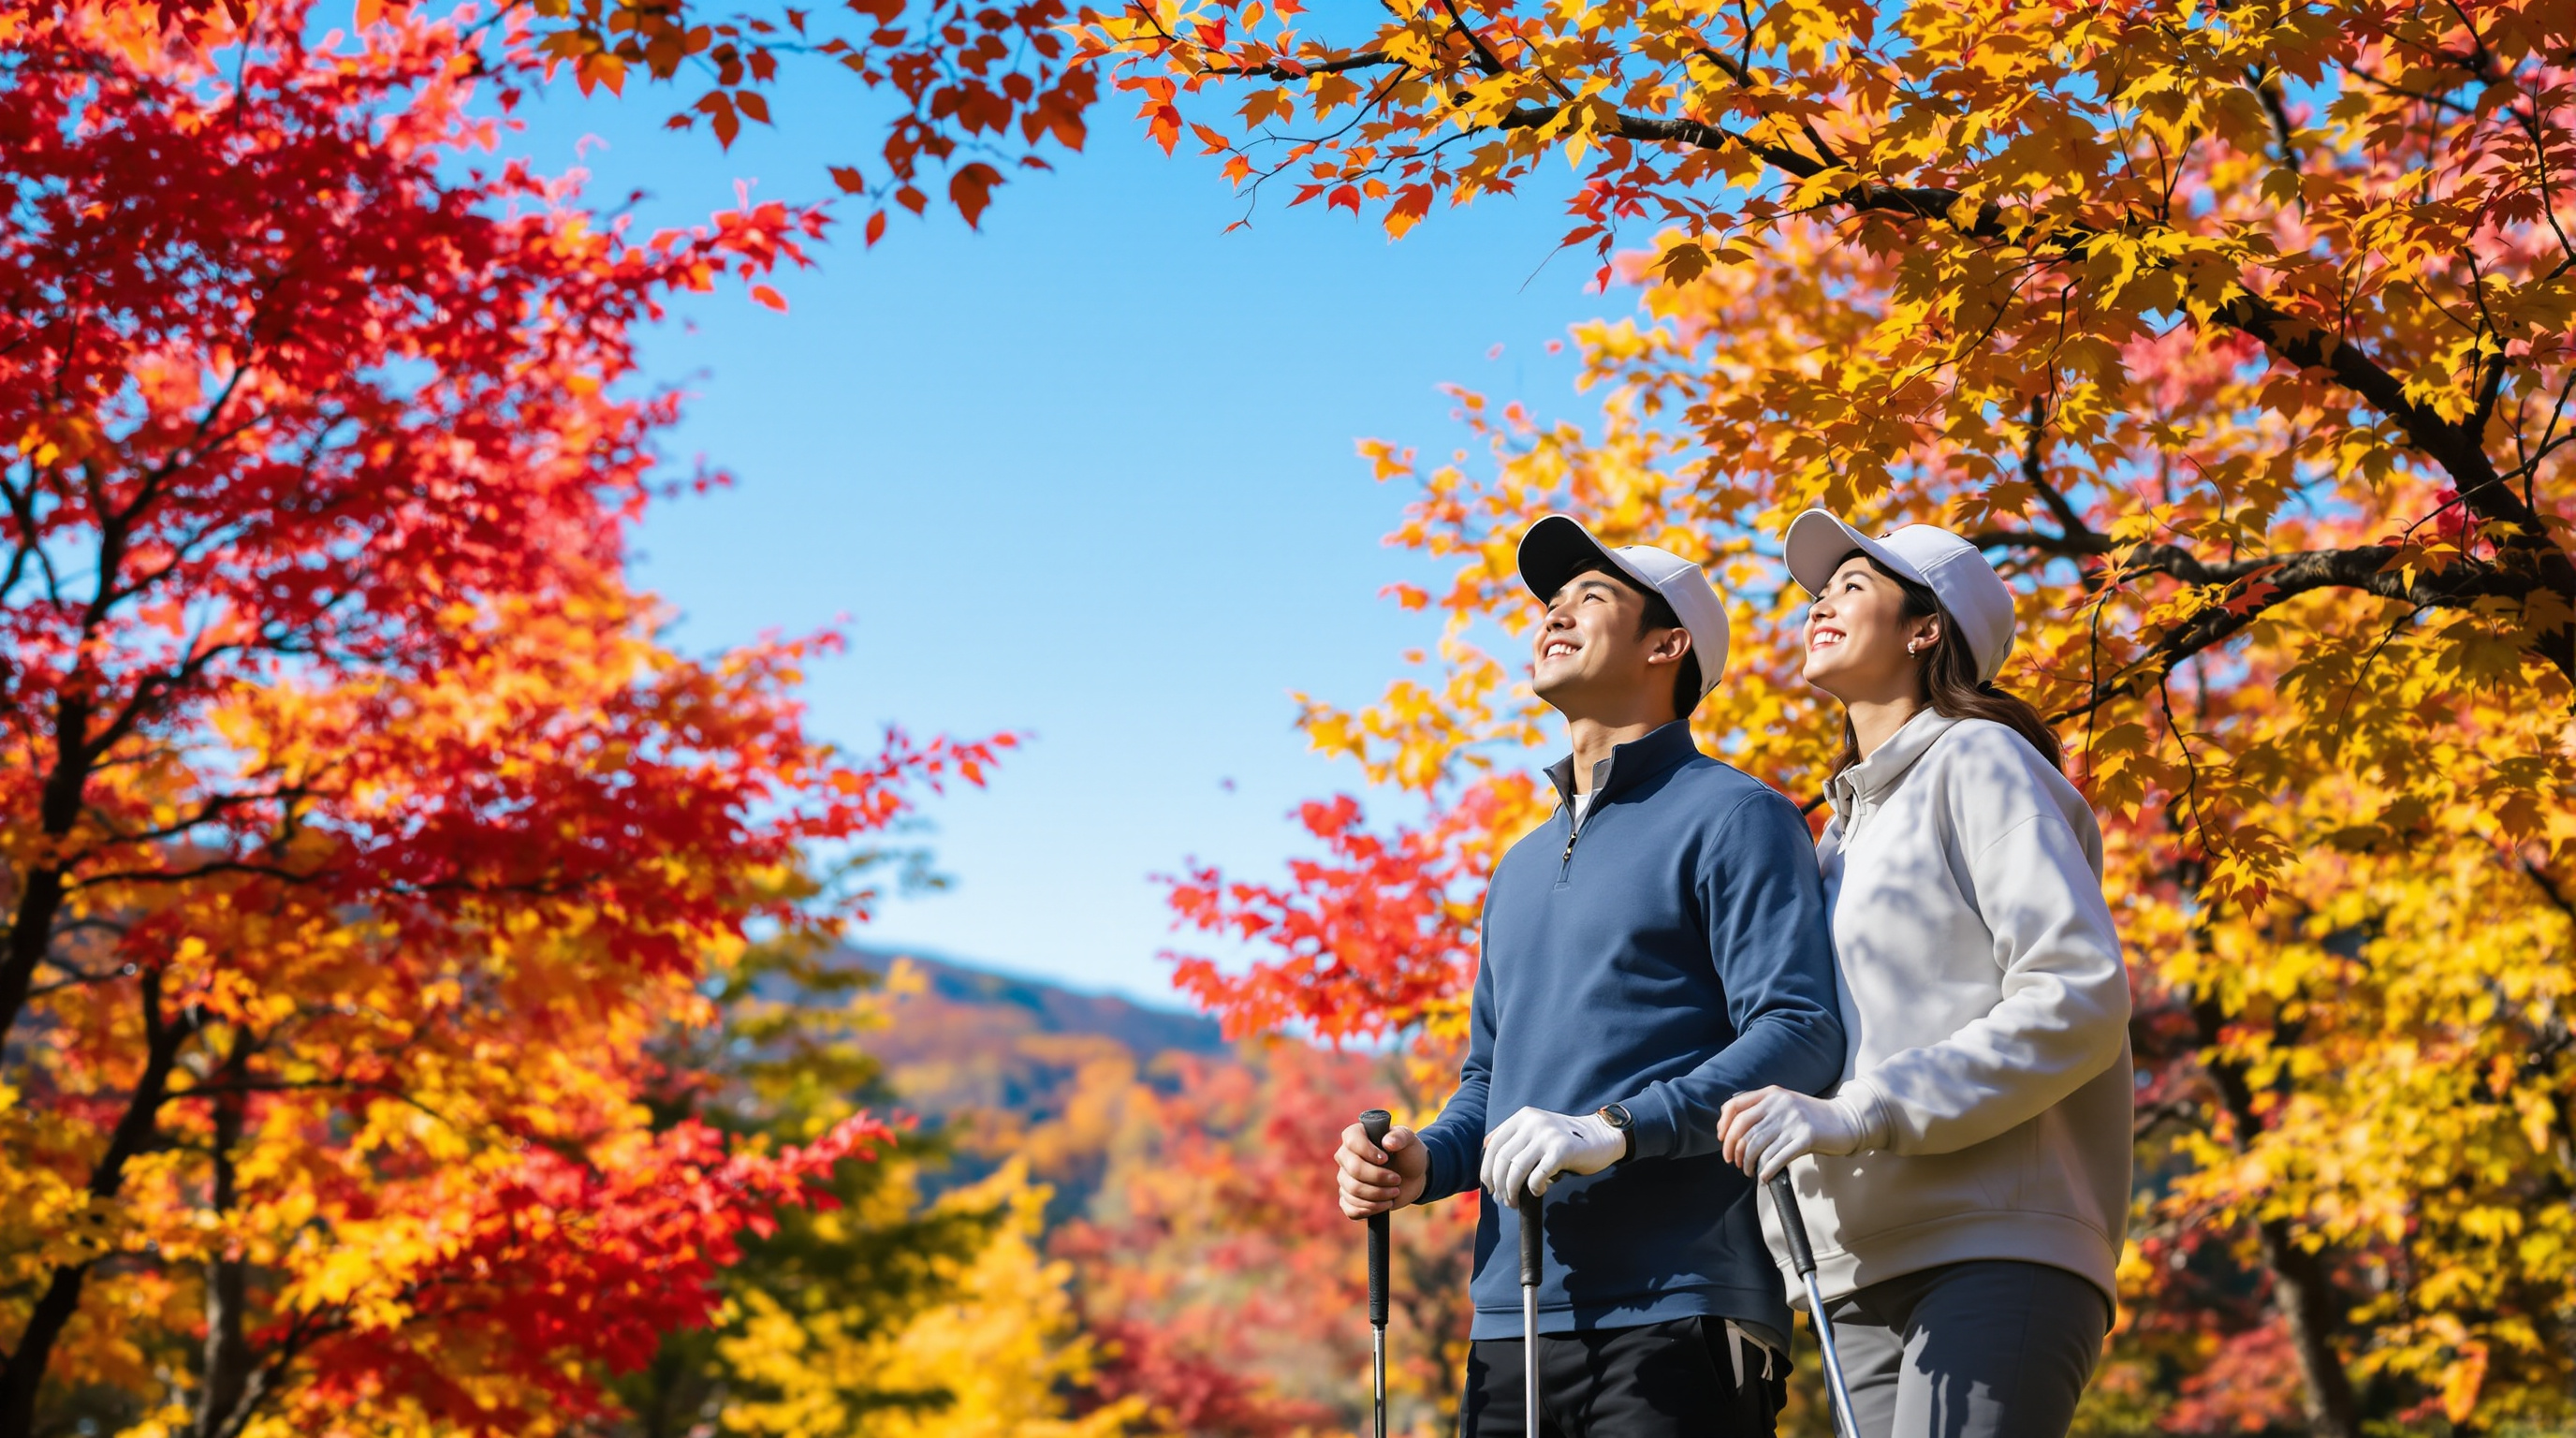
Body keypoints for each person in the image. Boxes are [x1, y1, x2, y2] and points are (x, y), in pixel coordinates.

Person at [1335, 515, 1847, 1438]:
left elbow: (1799, 1031)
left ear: (1667, 644)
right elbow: (1489, 1087)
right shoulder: (1516, 867)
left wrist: (1615, 1129)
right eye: (1550, 602)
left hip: (1680, 1308)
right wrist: (1424, 1164)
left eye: (1591, 596)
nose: (1554, 615)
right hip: (1509, 1320)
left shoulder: (1737, 816)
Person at [1716, 511, 2132, 1438]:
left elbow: (2075, 994)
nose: (1820, 602)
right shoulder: (1830, 840)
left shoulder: (1978, 760)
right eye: (1818, 592)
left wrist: (1864, 1110)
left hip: (1996, 1246)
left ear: (1924, 627)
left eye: (1852, 585)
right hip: (1846, 1270)